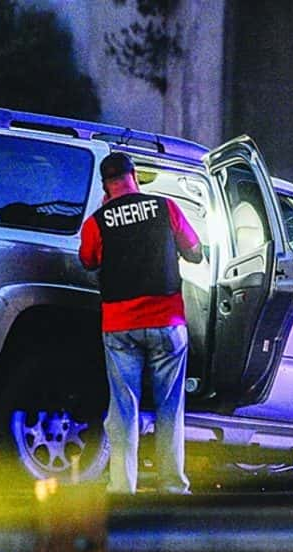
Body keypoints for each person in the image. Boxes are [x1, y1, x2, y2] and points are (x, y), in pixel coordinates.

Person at [79, 152, 203, 495]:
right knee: (170, 407)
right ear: (136, 177)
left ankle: (122, 487)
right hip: (168, 322)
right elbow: (195, 252)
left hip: (120, 326)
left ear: (106, 185)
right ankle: (173, 486)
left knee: (123, 408)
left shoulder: (96, 221)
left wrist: (108, 213)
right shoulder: (166, 209)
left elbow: (87, 261)